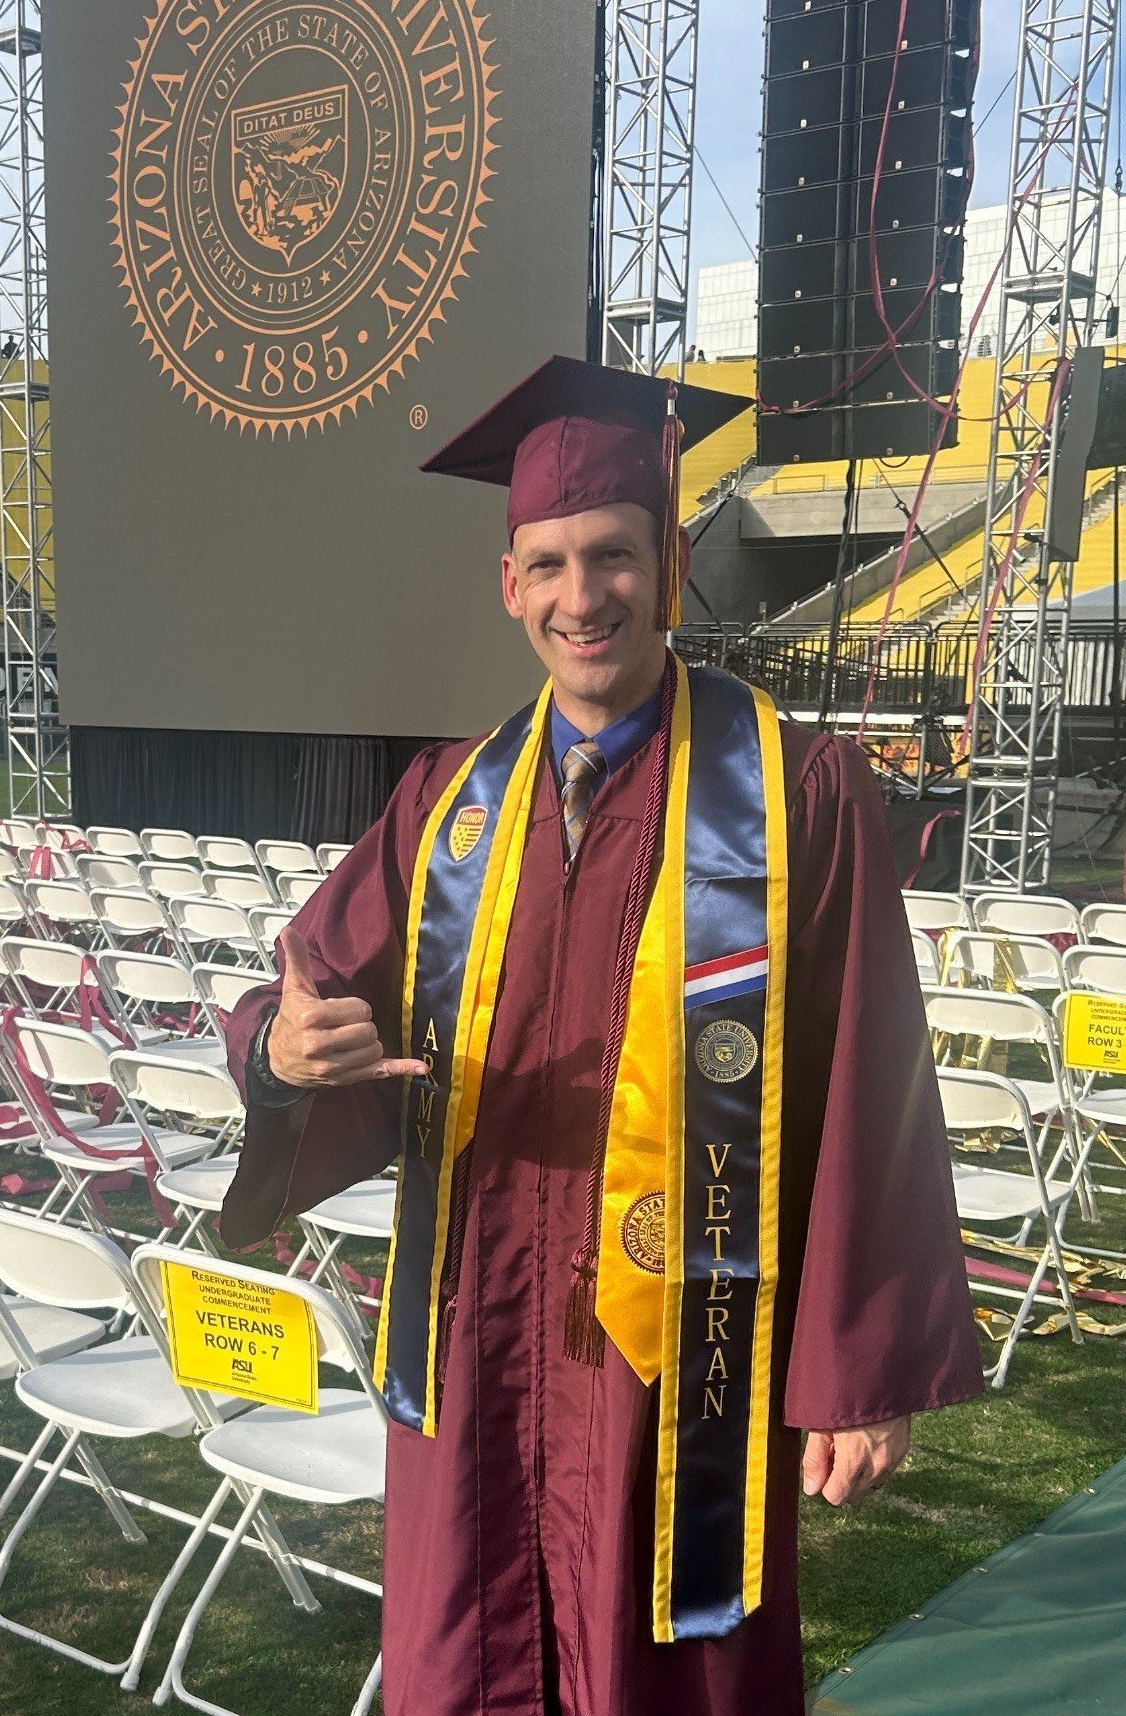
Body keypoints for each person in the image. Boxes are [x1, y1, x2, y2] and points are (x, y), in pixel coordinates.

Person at [220, 356, 982, 1716]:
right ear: (508, 585)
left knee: (663, 1674)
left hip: (673, 1352)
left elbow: (872, 1087)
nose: (585, 597)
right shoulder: (446, 804)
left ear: (671, 562)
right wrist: (280, 1052)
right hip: (480, 1331)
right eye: (551, 564)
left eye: (615, 554)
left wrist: (861, 1372)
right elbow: (307, 993)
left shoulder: (795, 793)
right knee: (471, 1660)